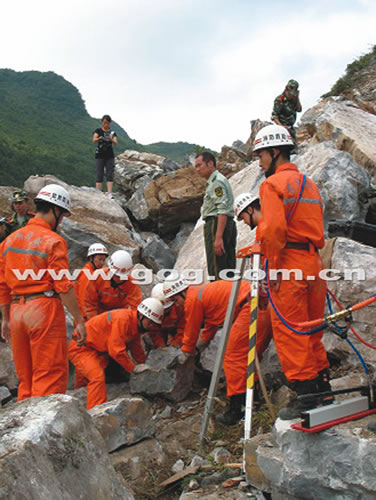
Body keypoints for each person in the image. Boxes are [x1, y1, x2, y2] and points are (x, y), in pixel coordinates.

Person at [253, 124, 332, 420]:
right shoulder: (308, 184)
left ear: (274, 153)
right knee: (312, 329)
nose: (259, 161)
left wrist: (270, 266)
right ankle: (323, 387)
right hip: (314, 265)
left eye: (261, 154)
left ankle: (307, 395)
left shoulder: (272, 185)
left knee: (290, 332)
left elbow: (273, 229)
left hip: (288, 265)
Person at [0, 184, 86, 401]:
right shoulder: (53, 241)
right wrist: (79, 320)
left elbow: (2, 284)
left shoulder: (10, 240)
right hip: (43, 311)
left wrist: (5, 319)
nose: (62, 220)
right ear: (55, 211)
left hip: (17, 312)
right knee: (49, 375)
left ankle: (22, 429)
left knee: (26, 379)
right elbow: (63, 285)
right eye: (63, 215)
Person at [163, 278, 273, 425]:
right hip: (262, 306)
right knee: (248, 359)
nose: (177, 305)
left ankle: (238, 408)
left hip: (250, 307)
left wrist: (186, 352)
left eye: (175, 300)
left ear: (181, 293)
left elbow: (191, 329)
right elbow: (211, 326)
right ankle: (253, 401)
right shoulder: (203, 292)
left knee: (233, 359)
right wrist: (199, 346)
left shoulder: (192, 299)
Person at [68, 297, 164, 409]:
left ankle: (77, 407)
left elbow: (136, 348)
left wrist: (144, 364)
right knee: (97, 378)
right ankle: (96, 413)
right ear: (141, 315)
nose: (151, 326)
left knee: (85, 381)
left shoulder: (134, 324)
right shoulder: (123, 320)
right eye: (150, 322)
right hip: (81, 348)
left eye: (154, 323)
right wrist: (133, 368)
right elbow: (116, 351)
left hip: (96, 350)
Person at [195, 152, 237, 280]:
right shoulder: (219, 179)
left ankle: (219, 297)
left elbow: (222, 210)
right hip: (227, 223)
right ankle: (230, 297)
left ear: (210, 163)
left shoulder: (216, 182)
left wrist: (218, 237)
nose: (197, 169)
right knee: (228, 268)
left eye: (199, 165)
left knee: (216, 268)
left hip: (216, 224)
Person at [84, 249, 142, 319]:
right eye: (117, 276)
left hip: (119, 315)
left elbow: (135, 308)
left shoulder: (132, 283)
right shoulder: (97, 278)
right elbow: (90, 305)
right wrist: (94, 322)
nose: (120, 279)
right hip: (99, 313)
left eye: (123, 276)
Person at [75, 243, 109, 319]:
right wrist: (88, 318)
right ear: (91, 258)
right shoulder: (87, 274)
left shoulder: (94, 273)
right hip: (86, 317)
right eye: (100, 259)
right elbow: (83, 298)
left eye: (104, 260)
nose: (102, 263)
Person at [147, 282, 185, 348]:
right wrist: (161, 346)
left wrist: (176, 344)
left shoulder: (179, 307)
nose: (165, 310)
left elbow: (183, 328)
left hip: (177, 330)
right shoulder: (152, 311)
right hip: (162, 331)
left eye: (168, 308)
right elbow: (155, 332)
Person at [93, 114, 118, 199]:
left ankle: (109, 193)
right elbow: (94, 140)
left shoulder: (112, 133)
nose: (106, 124)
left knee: (109, 173)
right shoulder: (98, 130)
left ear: (109, 123)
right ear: (102, 122)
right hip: (99, 155)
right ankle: (98, 193)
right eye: (104, 123)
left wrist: (111, 139)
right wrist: (100, 138)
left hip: (109, 155)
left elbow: (115, 143)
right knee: (99, 174)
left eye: (107, 123)